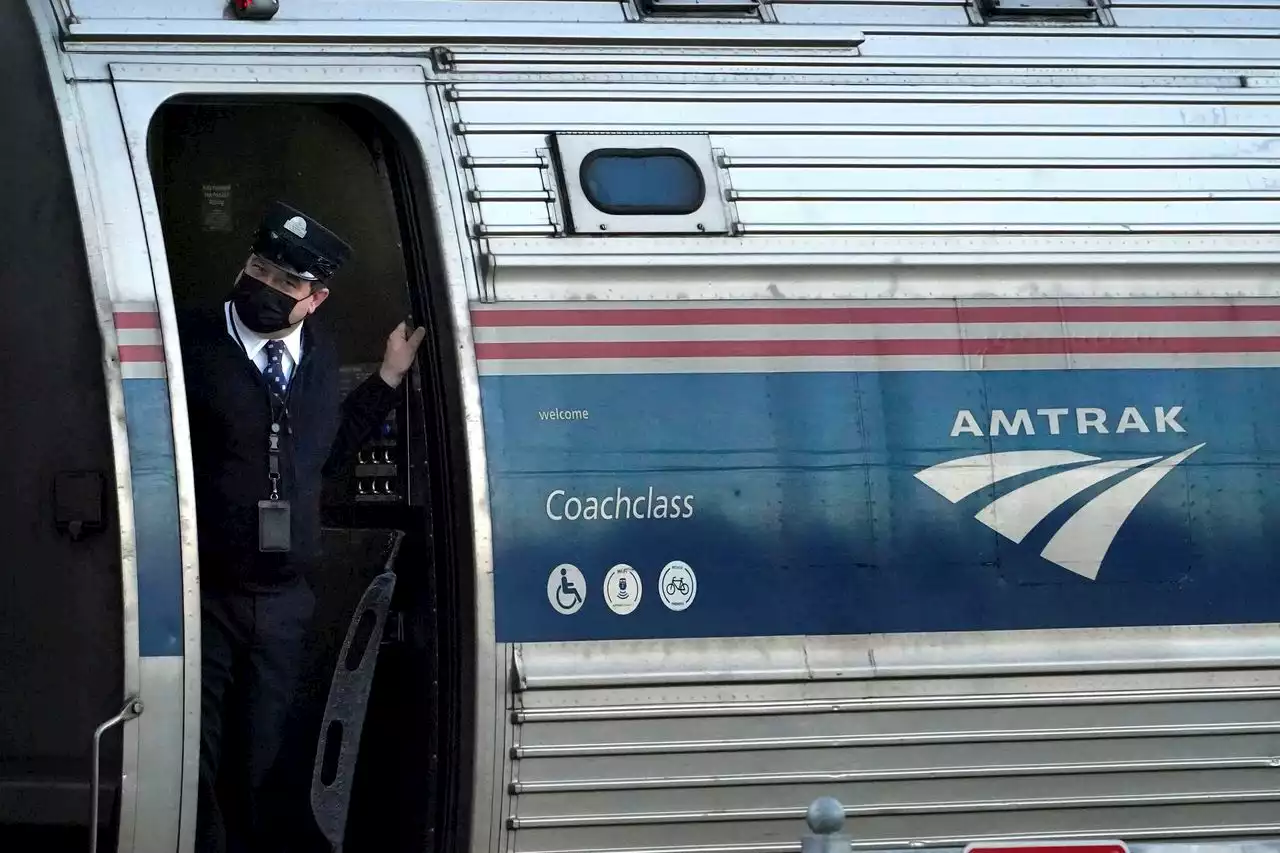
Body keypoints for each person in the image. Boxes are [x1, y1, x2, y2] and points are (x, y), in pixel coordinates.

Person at [179, 201, 426, 853]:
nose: (266, 285)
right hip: (203, 593)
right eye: (260, 267)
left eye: (287, 282)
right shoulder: (191, 343)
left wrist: (388, 379)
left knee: (262, 760)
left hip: (284, 600)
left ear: (316, 298)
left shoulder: (318, 359)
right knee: (191, 761)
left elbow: (330, 451)